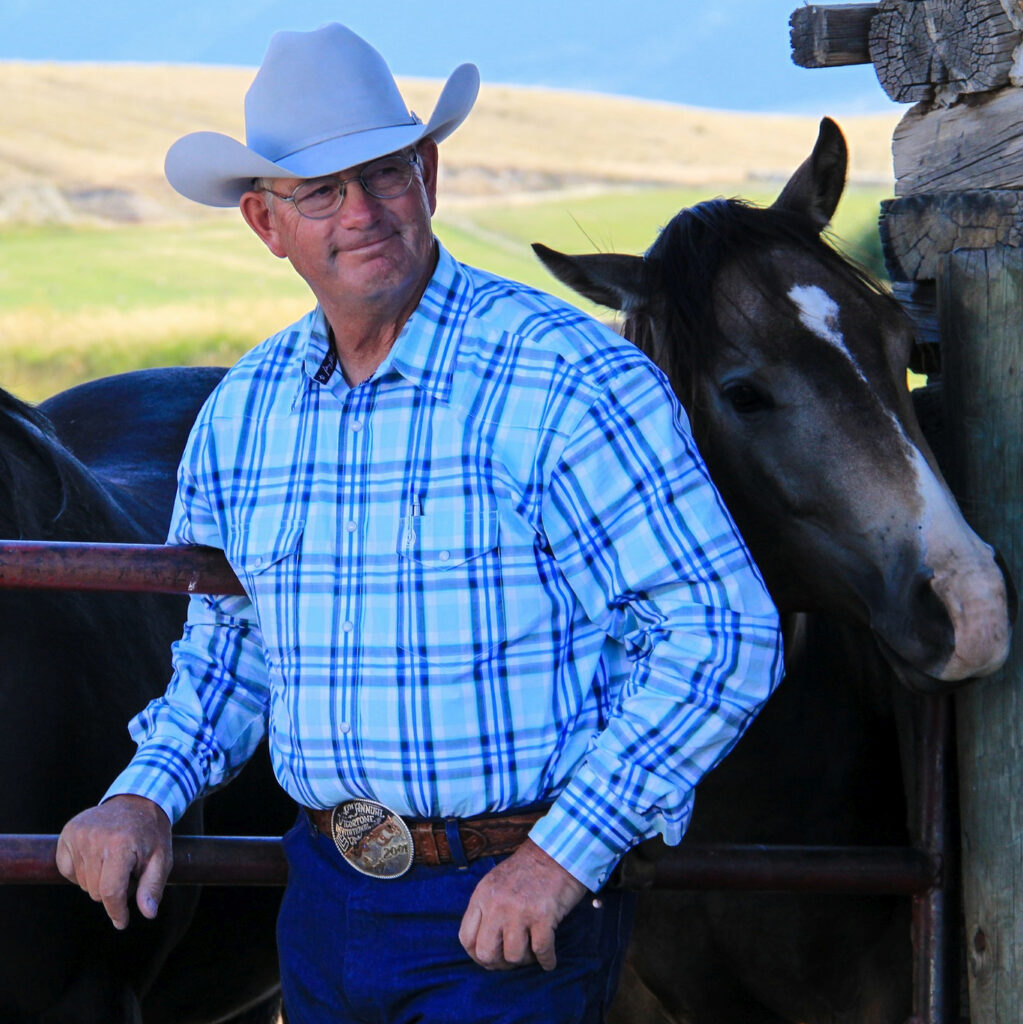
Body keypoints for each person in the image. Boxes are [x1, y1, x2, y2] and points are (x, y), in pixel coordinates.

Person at [56, 22, 784, 1024]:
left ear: (429, 173)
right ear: (267, 224)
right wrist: (145, 790)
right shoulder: (247, 411)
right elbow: (232, 649)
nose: (364, 213)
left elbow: (723, 631)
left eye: (386, 174)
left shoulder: (566, 376)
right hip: (321, 897)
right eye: (322, 191)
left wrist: (563, 853)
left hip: (509, 901)